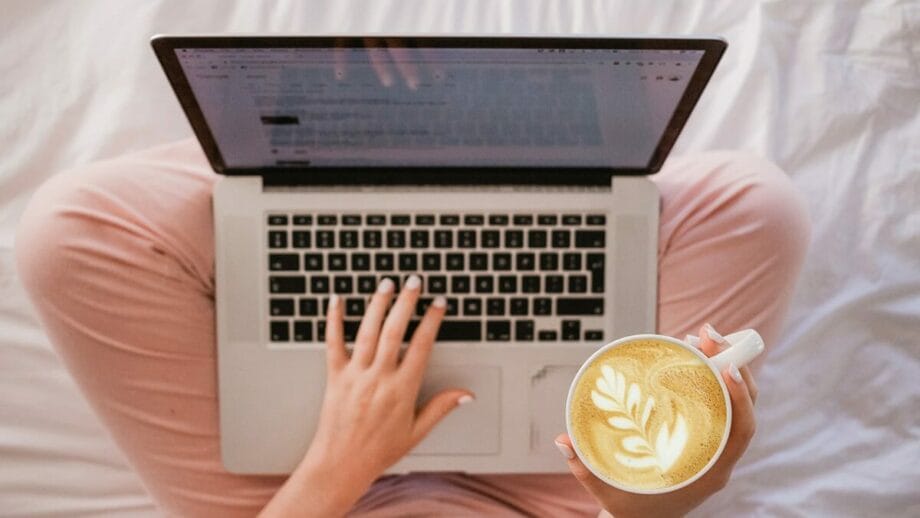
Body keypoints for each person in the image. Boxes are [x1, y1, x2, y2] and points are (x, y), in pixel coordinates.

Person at [14, 139, 810, 517]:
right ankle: (489, 150)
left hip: (294, 496)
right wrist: (648, 506)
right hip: (550, 502)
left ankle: (328, 145)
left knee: (69, 232)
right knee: (755, 205)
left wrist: (337, 462)